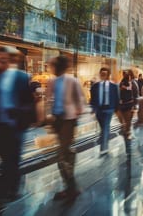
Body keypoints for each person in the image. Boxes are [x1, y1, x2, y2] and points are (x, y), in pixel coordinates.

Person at [0, 46, 33, 206]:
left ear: (11, 59)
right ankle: (13, 188)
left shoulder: (22, 77)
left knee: (9, 161)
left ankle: (1, 194)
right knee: (9, 160)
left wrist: (18, 113)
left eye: (3, 59)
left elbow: (28, 102)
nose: (0, 61)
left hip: (16, 125)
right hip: (0, 126)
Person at [46, 55, 84, 201]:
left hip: (69, 119)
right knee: (65, 153)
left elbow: (80, 98)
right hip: (57, 120)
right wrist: (49, 116)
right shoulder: (52, 81)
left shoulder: (72, 80)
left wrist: (78, 111)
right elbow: (49, 100)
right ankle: (70, 187)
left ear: (59, 67)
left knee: (61, 154)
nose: (51, 68)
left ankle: (71, 187)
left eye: (53, 65)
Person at [90, 67, 119, 155]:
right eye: (102, 74)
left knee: (105, 127)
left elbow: (116, 98)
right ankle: (105, 141)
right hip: (99, 110)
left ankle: (104, 148)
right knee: (104, 128)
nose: (103, 75)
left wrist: (116, 110)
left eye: (105, 74)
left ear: (108, 75)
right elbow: (93, 98)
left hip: (109, 109)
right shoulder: (95, 86)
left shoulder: (113, 86)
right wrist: (93, 109)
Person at [118, 69, 139, 141]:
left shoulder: (129, 83)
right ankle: (127, 133)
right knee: (127, 121)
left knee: (127, 121)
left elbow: (135, 94)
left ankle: (127, 133)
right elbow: (135, 94)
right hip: (127, 104)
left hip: (127, 104)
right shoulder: (128, 83)